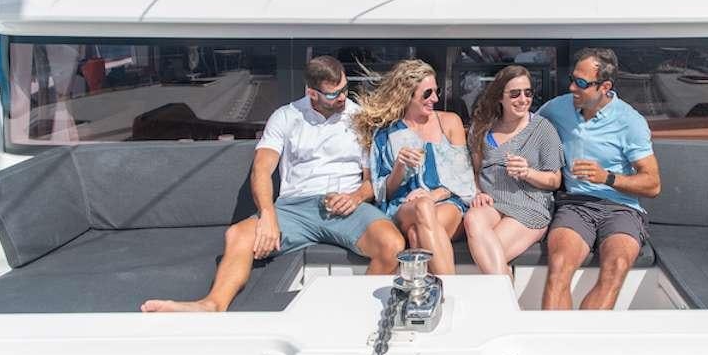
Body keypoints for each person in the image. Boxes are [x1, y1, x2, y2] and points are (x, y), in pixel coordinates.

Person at [141, 56, 405, 312]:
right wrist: (267, 215)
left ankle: (356, 314)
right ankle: (211, 305)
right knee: (238, 234)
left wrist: (356, 197)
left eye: (345, 89)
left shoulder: (360, 119)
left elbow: (372, 182)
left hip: (346, 206)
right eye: (332, 94)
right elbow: (261, 170)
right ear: (311, 93)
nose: (342, 98)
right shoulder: (285, 117)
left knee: (392, 244)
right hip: (295, 208)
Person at [537, 48, 661, 310]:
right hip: (575, 205)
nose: (572, 87)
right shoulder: (558, 108)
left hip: (621, 208)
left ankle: (581, 344)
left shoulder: (630, 122)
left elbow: (652, 183)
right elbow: (523, 130)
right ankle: (552, 344)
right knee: (558, 266)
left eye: (581, 83)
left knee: (615, 268)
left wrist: (608, 178)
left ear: (605, 86)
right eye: (572, 79)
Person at [354, 60, 475, 275]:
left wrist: (432, 195)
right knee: (421, 208)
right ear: (407, 94)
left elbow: (463, 180)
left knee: (416, 235)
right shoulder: (386, 133)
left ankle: (435, 292)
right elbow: (384, 193)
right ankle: (449, 291)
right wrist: (399, 167)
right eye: (427, 94)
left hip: (447, 200)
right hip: (404, 207)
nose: (435, 99)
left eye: (436, 92)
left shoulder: (450, 122)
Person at [464, 65, 563, 276]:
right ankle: (509, 305)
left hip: (528, 207)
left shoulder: (543, 129)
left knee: (489, 256)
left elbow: (555, 180)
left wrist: (528, 172)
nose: (523, 99)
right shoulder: (482, 127)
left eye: (528, 93)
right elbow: (475, 170)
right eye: (515, 94)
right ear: (500, 96)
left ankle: (504, 306)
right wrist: (477, 192)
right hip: (492, 203)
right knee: (472, 218)